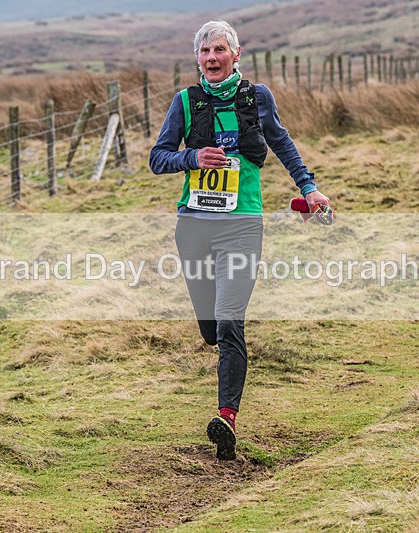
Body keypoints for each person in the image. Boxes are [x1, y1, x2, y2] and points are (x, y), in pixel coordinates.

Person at [149, 20, 330, 460]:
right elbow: (158, 158)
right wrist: (191, 157)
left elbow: (282, 144)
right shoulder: (185, 102)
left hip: (242, 224)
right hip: (193, 226)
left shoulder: (257, 97)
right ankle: (215, 341)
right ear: (197, 59)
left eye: (219, 49)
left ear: (236, 53)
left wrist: (308, 188)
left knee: (231, 321)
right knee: (211, 329)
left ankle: (225, 417)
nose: (211, 58)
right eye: (204, 52)